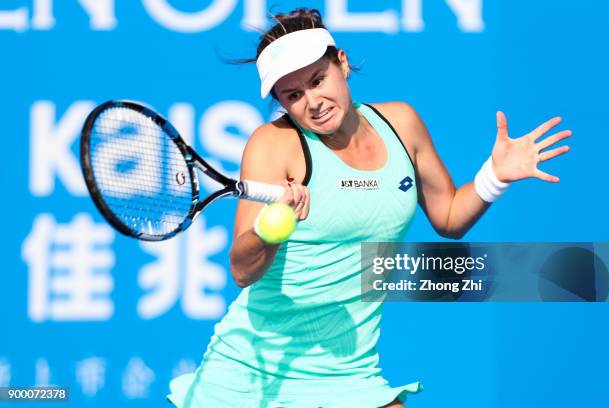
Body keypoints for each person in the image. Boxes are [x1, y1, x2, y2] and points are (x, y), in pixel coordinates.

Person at [167, 8, 571, 408]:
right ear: (281, 103)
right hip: (253, 374)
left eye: (317, 79)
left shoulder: (401, 123)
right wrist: (275, 225)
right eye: (294, 95)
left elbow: (448, 217)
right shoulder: (273, 144)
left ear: (341, 63)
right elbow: (242, 269)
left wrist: (494, 176)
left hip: (349, 372)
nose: (313, 102)